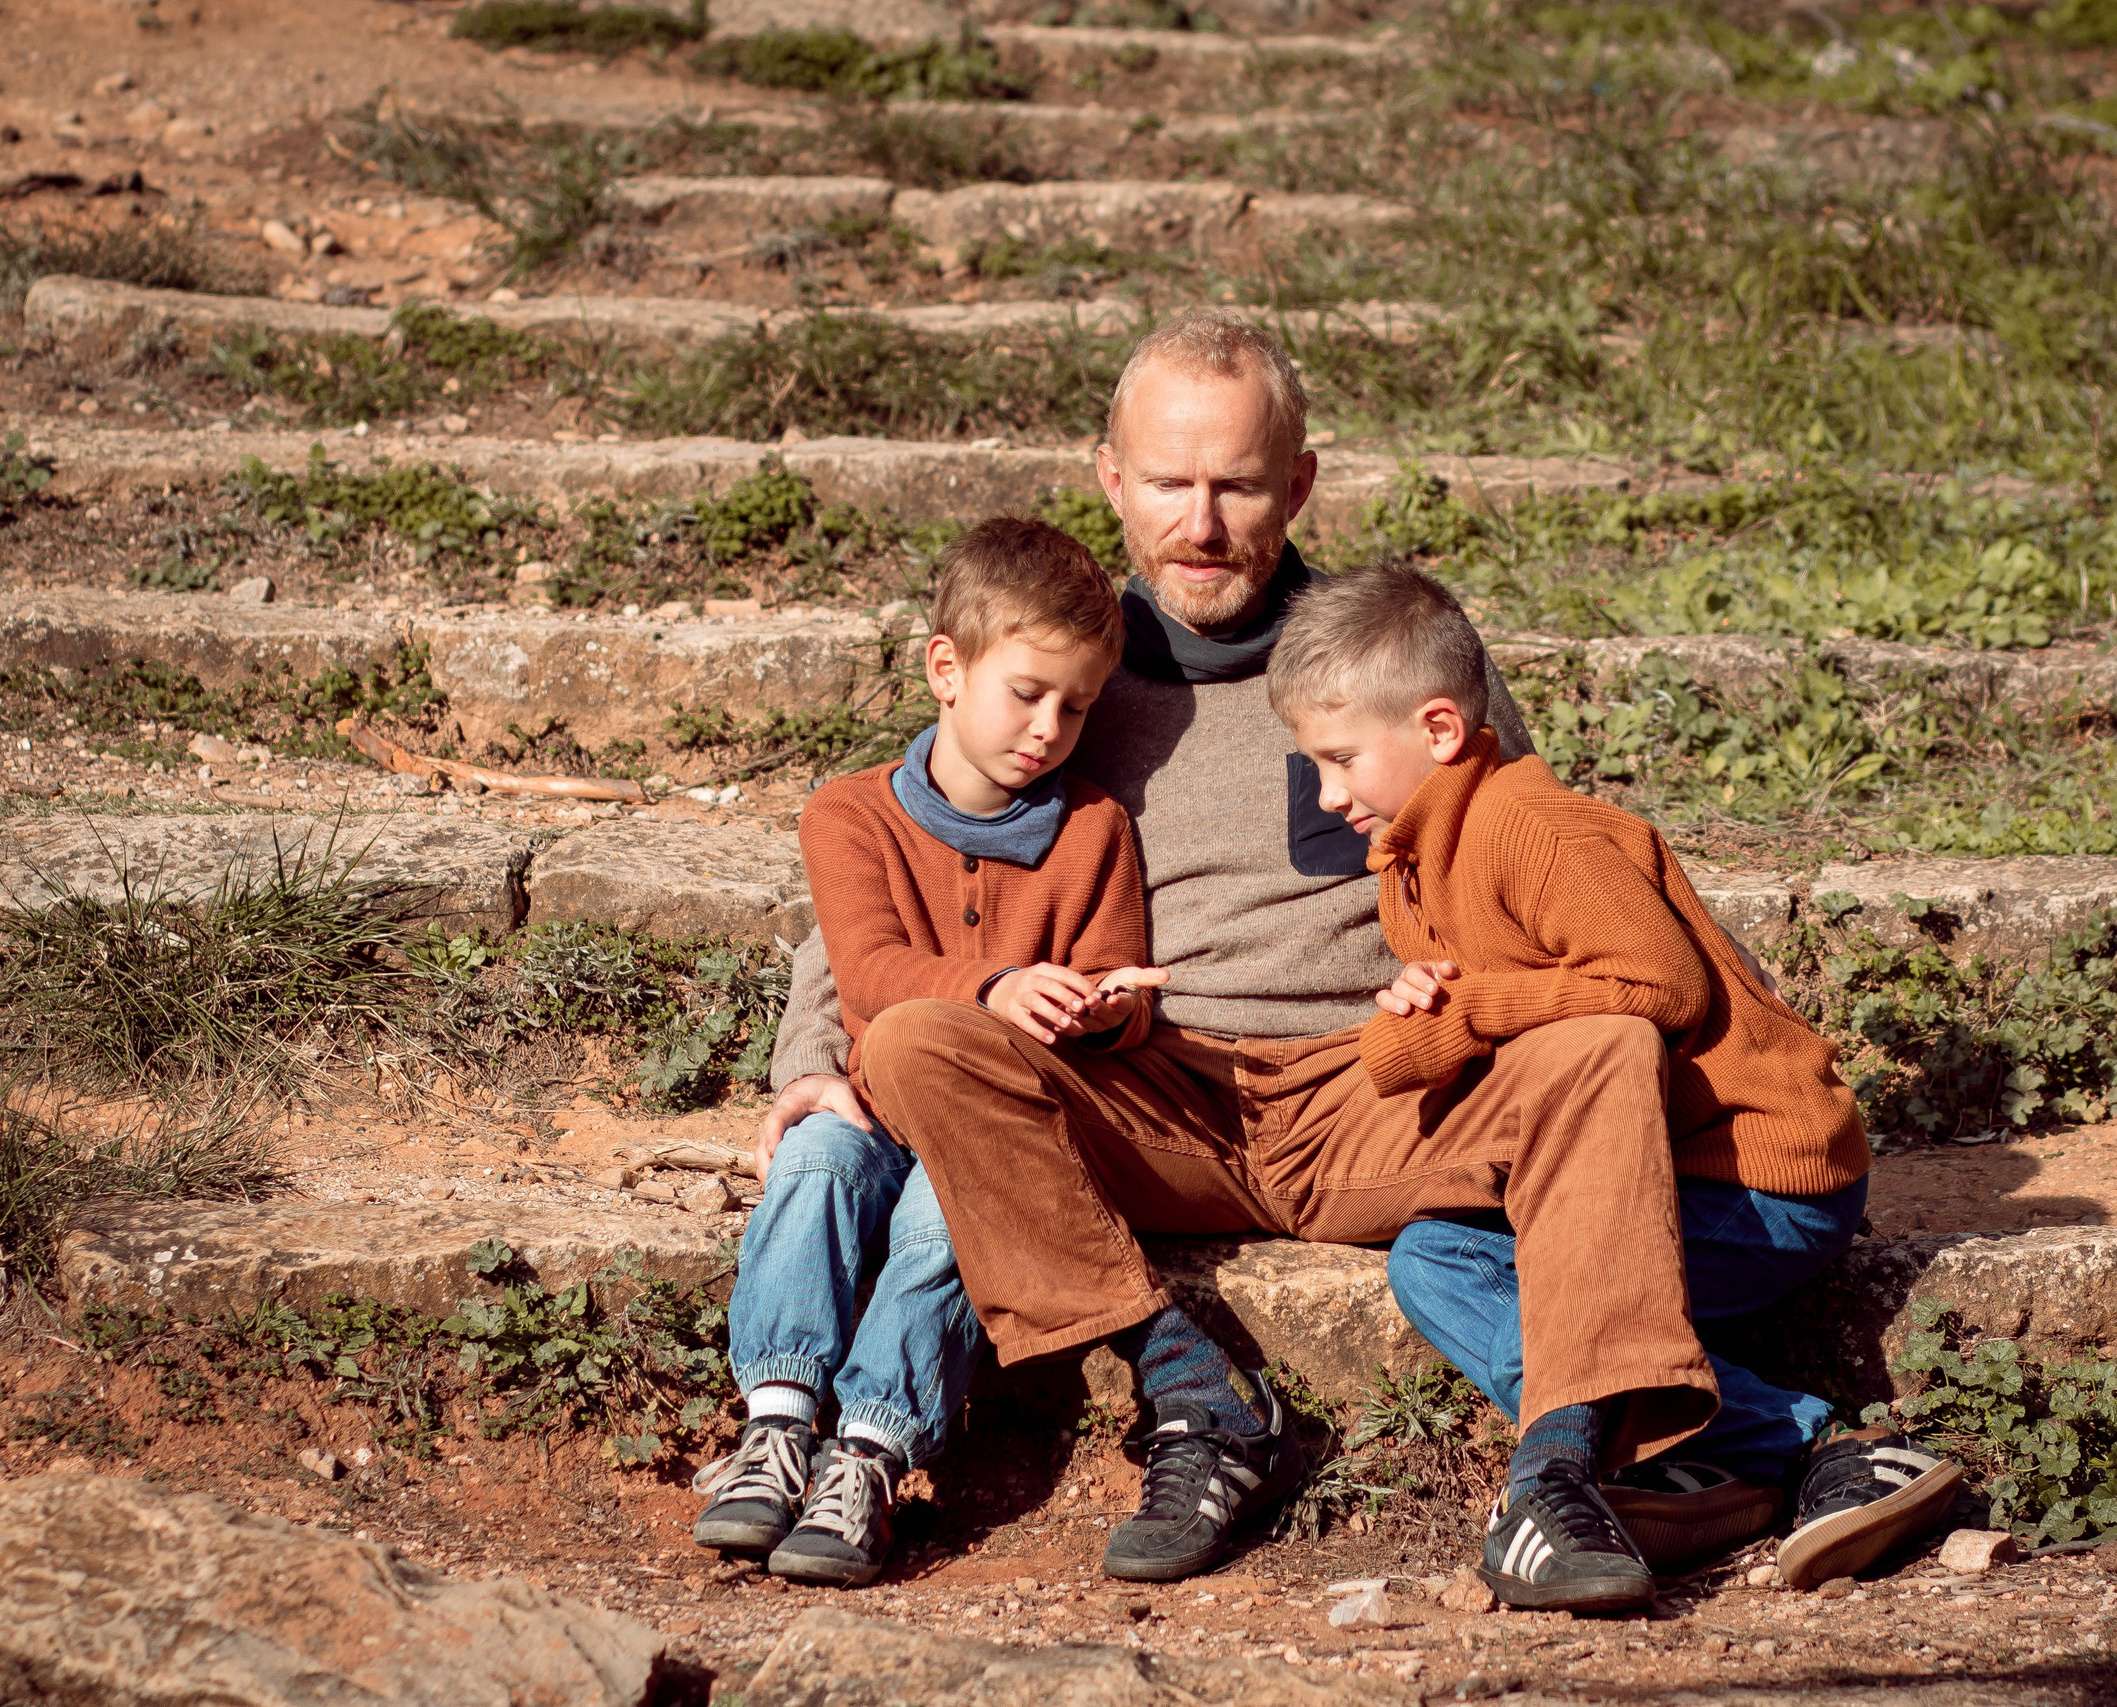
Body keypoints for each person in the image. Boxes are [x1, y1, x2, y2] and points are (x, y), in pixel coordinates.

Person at [756, 309, 1944, 1607]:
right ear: (1110, 477)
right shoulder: (1065, 674)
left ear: (1300, 484)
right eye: (1168, 483)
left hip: (1386, 1092)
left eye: (1239, 484)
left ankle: (1576, 1461)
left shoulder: (1383, 664)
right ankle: (1193, 1388)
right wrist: (816, 1056)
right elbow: (909, 848)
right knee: (921, 1035)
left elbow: (1525, 845)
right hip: (1150, 1093)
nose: (1201, 523)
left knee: (1594, 1042)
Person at [1269, 562, 1965, 1592]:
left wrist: (1471, 1010)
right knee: (1433, 1262)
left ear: (1439, 730)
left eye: (1338, 762)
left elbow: (1660, 986)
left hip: (1758, 1177)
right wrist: (1414, 1034)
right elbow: (1448, 1039)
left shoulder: (1530, 829)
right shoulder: (1413, 866)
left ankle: (1800, 1448)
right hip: (1643, 1164)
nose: (1327, 797)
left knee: (1503, 1274)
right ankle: (1785, 1446)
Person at [693, 516, 1163, 1587]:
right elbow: (867, 972)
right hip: (870, 1099)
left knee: (944, 1216)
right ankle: (774, 1425)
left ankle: (868, 1454)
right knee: (815, 1161)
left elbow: (1112, 980)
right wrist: (996, 986)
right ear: (946, 670)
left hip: (985, 1129)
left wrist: (1100, 1012)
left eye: (1077, 706)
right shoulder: (847, 813)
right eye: (1027, 692)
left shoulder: (1092, 830)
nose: (1048, 728)